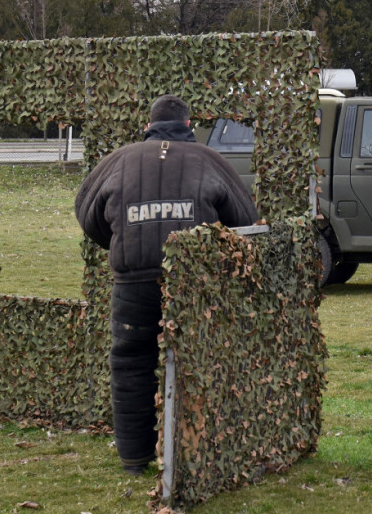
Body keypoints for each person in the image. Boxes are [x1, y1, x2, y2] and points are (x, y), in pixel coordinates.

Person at [74, 94, 258, 474]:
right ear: (190, 127)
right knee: (199, 362)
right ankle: (195, 458)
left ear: (147, 127)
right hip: (193, 284)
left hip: (133, 283)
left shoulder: (118, 161)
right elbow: (246, 219)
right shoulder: (210, 160)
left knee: (130, 364)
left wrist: (122, 240)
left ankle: (134, 459)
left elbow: (86, 211)